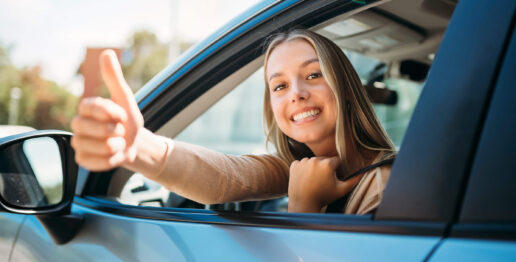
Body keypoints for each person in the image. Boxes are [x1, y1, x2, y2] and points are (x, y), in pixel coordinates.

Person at [70, 29, 396, 214]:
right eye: (279, 86)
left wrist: (304, 204)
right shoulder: (294, 168)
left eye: (313, 74)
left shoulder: (384, 184)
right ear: (272, 108)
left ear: (347, 90)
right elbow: (226, 178)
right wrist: (138, 146)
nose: (295, 94)